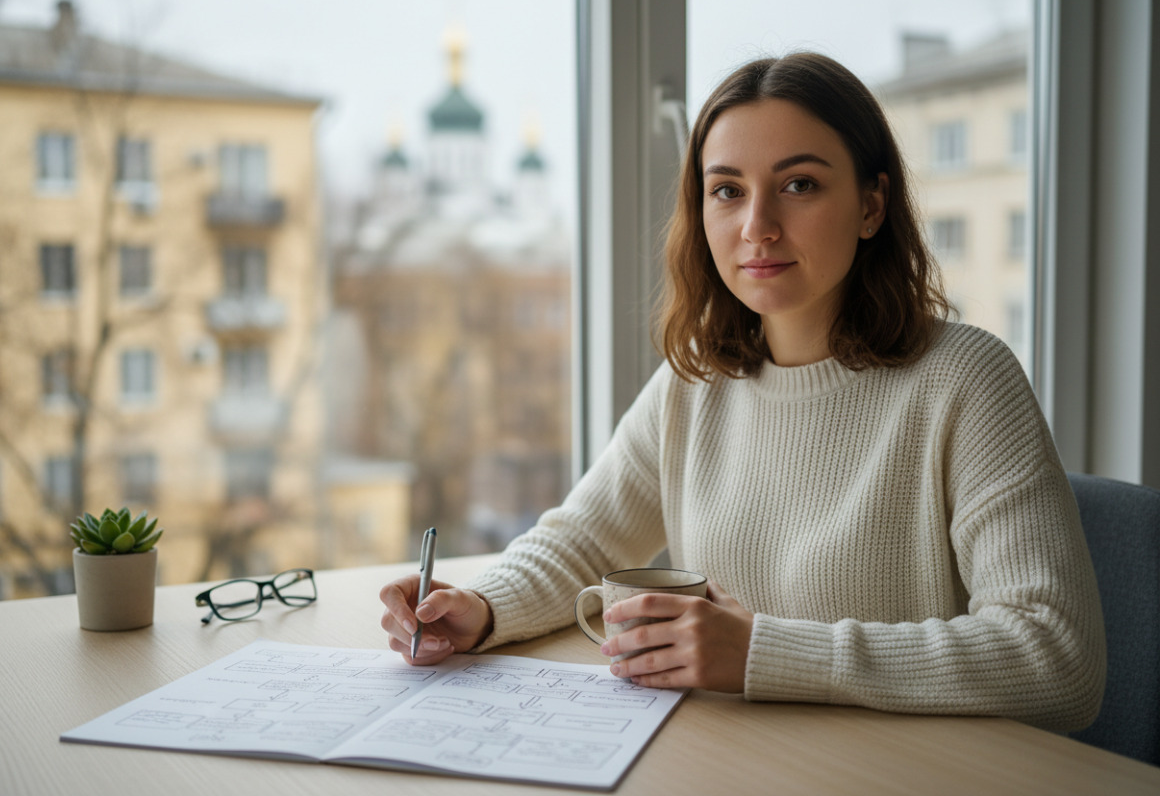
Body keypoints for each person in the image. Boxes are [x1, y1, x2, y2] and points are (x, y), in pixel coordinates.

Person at [379, 52, 1106, 732]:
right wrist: (477, 607)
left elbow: (1058, 657)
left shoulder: (967, 381)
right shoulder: (697, 380)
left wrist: (762, 652)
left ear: (871, 206)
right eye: (727, 190)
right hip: (736, 757)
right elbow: (584, 541)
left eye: (799, 185)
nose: (757, 227)